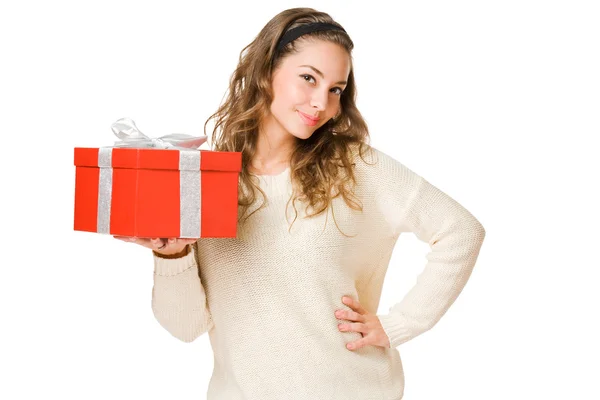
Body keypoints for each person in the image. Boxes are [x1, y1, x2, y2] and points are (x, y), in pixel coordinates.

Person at [114, 7, 486, 400]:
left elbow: (461, 231)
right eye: (308, 78)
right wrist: (172, 256)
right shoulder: (207, 179)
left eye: (335, 89)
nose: (321, 103)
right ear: (265, 72)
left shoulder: (357, 166)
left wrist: (400, 324)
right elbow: (185, 328)